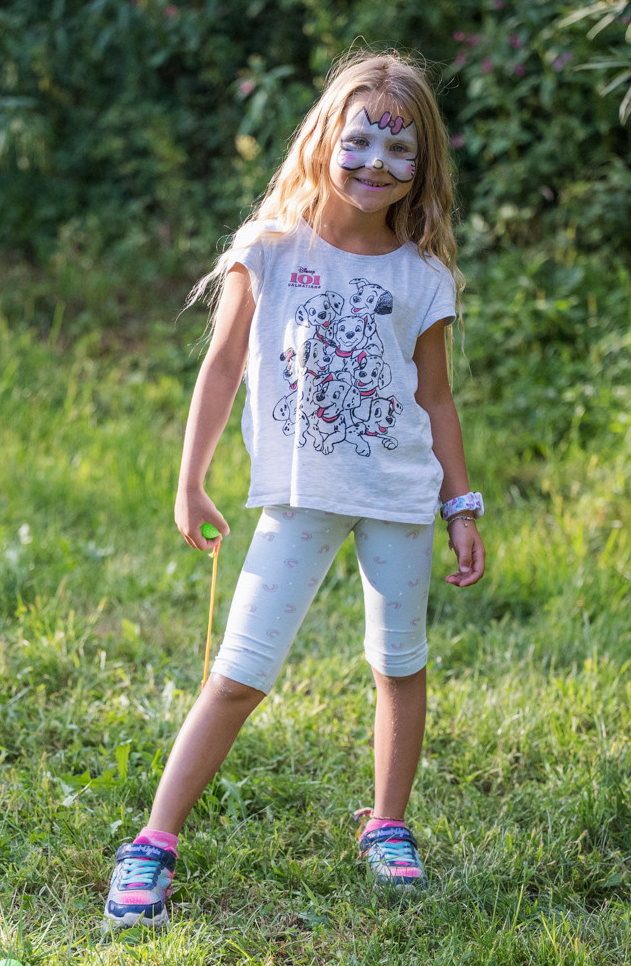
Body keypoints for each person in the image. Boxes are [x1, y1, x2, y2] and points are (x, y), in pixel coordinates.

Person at [103, 50, 486, 930]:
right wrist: (190, 480)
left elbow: (436, 399)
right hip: (299, 497)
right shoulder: (270, 250)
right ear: (323, 140)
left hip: (399, 498)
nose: (375, 164)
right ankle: (152, 842)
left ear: (422, 165)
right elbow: (222, 365)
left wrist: (460, 505)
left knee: (399, 665)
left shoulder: (421, 278)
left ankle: (387, 824)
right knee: (239, 673)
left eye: (399, 151)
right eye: (360, 142)